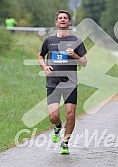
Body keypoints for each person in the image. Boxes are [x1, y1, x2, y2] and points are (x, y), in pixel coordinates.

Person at [37, 10, 87, 154]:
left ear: (69, 22)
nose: (63, 20)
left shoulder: (76, 40)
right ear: (56, 22)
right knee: (53, 116)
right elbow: (40, 56)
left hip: (70, 83)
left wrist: (76, 55)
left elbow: (84, 63)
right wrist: (45, 66)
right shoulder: (49, 40)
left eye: (65, 18)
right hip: (53, 82)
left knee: (70, 114)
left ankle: (65, 143)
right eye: (60, 18)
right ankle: (57, 126)